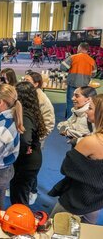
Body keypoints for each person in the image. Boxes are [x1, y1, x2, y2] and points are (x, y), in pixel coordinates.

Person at [49, 94, 103, 224]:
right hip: (96, 203)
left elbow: (66, 168)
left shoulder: (90, 141)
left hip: (74, 200)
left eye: (89, 108)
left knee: (56, 230)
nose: (86, 111)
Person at [10, 82, 47, 205]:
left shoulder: (25, 114)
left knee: (19, 198)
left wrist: (20, 152)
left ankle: (20, 221)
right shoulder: (33, 110)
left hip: (26, 162)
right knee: (21, 193)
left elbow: (25, 139)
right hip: (33, 158)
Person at [24, 71, 55, 204]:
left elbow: (49, 123)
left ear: (36, 84)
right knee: (21, 165)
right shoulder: (26, 95)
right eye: (24, 79)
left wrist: (36, 140)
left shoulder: (43, 100)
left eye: (28, 81)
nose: (24, 82)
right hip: (25, 138)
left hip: (34, 141)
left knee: (31, 167)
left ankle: (33, 191)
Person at [60, 42, 97, 118]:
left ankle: (69, 120)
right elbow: (94, 74)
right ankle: (80, 119)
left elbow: (62, 67)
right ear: (87, 50)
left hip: (73, 84)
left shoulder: (73, 57)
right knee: (83, 103)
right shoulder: (92, 60)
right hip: (84, 86)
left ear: (80, 48)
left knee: (71, 102)